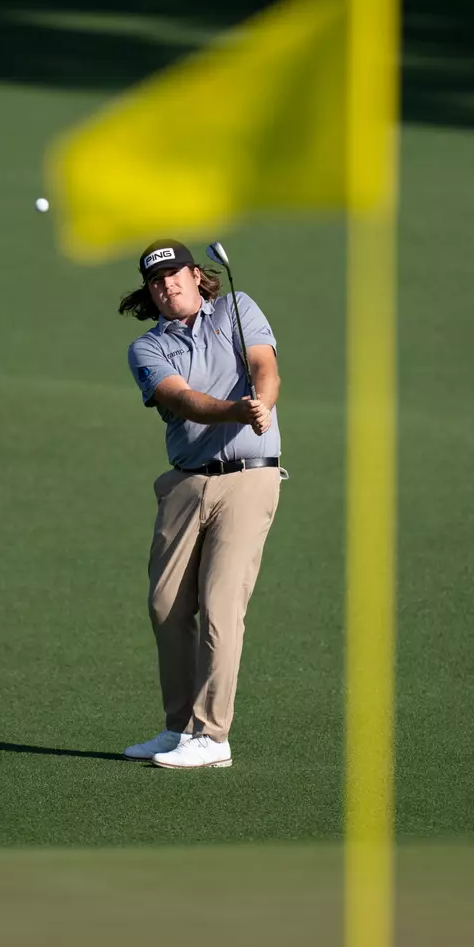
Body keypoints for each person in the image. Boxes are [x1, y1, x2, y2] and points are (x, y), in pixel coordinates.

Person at [119, 239, 284, 769]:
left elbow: (265, 365)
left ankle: (213, 737)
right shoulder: (147, 348)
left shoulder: (239, 308)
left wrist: (263, 402)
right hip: (186, 483)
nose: (167, 286)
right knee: (167, 608)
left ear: (196, 275)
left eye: (174, 275)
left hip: (248, 480)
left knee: (220, 607)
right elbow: (181, 399)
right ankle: (178, 729)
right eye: (156, 282)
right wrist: (236, 411)